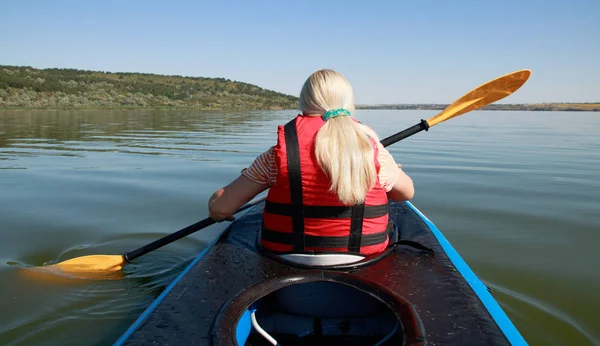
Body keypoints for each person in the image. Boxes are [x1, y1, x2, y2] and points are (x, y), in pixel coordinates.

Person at [208, 69, 414, 255]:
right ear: (348, 103)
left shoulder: (276, 154)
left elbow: (222, 208)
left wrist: (215, 205)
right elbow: (405, 193)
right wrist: (391, 169)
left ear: (304, 102)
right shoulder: (373, 150)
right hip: (364, 255)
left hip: (288, 257)